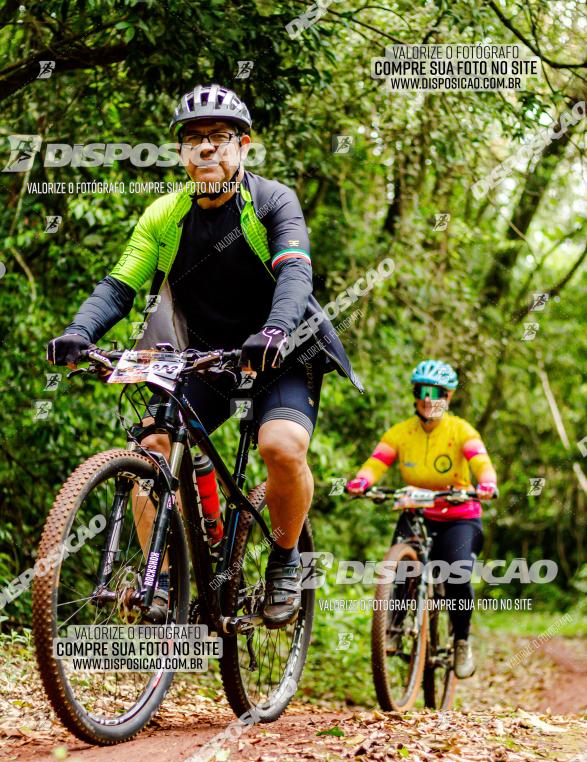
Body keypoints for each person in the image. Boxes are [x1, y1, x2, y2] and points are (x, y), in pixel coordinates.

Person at [47, 84, 362, 629]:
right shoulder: (164, 215)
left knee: (281, 446)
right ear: (181, 153)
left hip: (281, 351)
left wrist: (275, 330)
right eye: (194, 139)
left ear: (243, 145)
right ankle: (165, 581)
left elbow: (294, 272)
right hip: (204, 355)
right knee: (153, 443)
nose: (207, 149)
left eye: (219, 138)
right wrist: (79, 331)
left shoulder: (271, 202)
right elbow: (120, 286)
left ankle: (285, 558)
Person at [346, 359, 497, 678]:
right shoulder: (401, 432)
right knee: (400, 568)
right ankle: (394, 625)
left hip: (459, 516)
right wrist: (362, 481)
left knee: (457, 576)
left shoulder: (460, 430)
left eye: (438, 392)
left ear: (449, 396)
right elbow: (377, 461)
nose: (429, 399)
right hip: (416, 512)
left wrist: (487, 483)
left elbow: (480, 459)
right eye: (422, 391)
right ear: (414, 394)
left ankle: (461, 640)